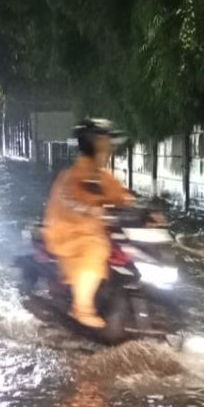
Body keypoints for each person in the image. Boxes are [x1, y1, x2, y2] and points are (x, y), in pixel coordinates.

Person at [42, 118, 134, 328]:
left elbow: (122, 197)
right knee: (96, 248)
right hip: (69, 234)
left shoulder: (103, 176)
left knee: (120, 247)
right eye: (105, 140)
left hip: (95, 231)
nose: (109, 146)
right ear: (92, 142)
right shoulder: (72, 176)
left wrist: (146, 213)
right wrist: (91, 210)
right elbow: (69, 201)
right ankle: (81, 308)